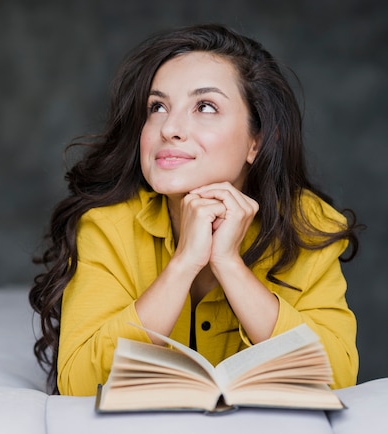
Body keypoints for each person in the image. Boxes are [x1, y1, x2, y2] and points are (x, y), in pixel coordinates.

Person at [29, 23, 362, 396]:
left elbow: (336, 377)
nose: (169, 127)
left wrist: (229, 264)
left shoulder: (308, 225)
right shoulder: (107, 225)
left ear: (257, 140)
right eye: (157, 107)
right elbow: (78, 384)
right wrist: (184, 263)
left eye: (205, 106)